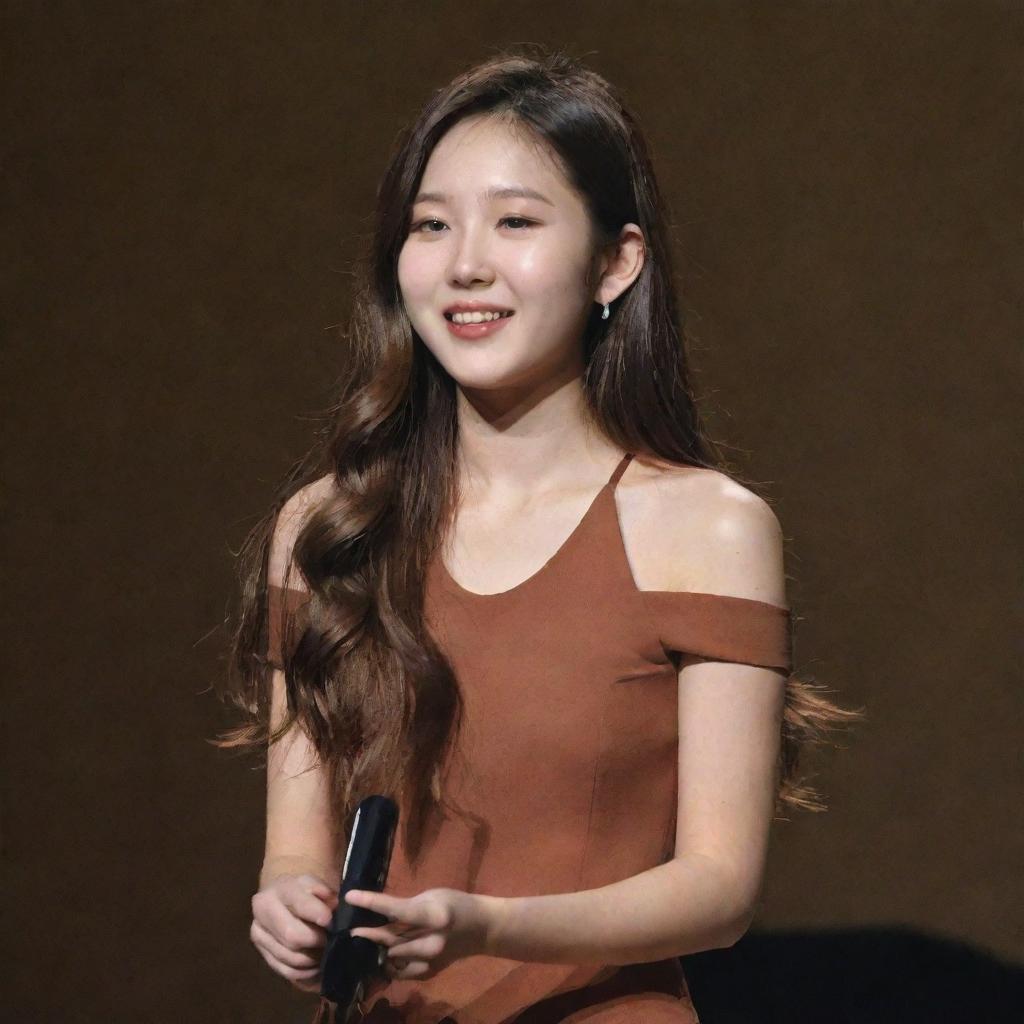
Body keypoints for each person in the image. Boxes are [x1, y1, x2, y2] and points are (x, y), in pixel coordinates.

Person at [214, 45, 861, 1024]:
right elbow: (295, 846)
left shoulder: (707, 528)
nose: (466, 262)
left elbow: (718, 891)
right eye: (431, 225)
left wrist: (490, 923)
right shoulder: (330, 528)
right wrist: (287, 903)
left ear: (615, 262)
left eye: (515, 221)